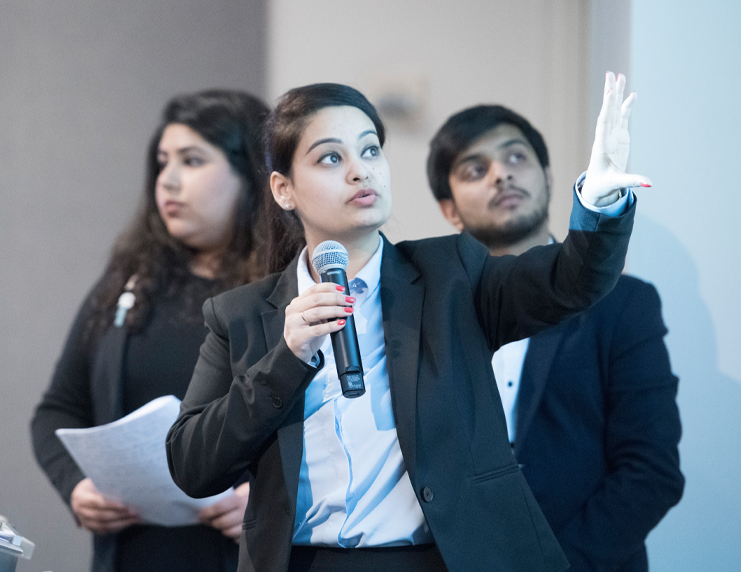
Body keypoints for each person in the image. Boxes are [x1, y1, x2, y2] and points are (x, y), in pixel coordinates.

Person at [166, 72, 648, 572]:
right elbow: (192, 466)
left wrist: (600, 203)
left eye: (370, 150)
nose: (361, 172)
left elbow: (571, 281)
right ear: (284, 189)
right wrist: (285, 359)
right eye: (332, 158)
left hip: (434, 560)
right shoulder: (241, 315)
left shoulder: (452, 276)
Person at [426, 102, 683, 572]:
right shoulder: (429, 314)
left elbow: (652, 471)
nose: (501, 175)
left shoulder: (623, 305)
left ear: (547, 176)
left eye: (516, 157)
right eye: (475, 168)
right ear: (449, 209)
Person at [31, 89, 270, 572]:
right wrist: (76, 485)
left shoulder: (287, 290)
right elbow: (58, 409)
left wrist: (269, 498)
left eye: (192, 160)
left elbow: (339, 438)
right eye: (163, 162)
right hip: (134, 554)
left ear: (251, 176)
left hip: (244, 555)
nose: (169, 180)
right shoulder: (129, 283)